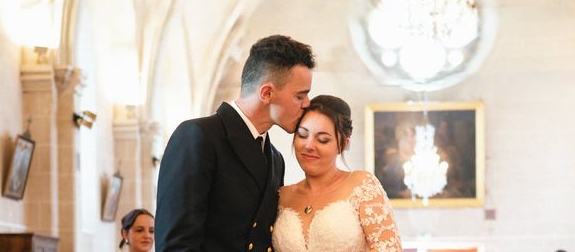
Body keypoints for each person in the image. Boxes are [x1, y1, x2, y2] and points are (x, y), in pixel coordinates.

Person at [155, 35, 315, 252]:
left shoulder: (276, 159)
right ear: (267, 93)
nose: (307, 104)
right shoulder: (198, 136)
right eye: (299, 96)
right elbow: (176, 245)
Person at [272, 95, 402, 251]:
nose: (309, 145)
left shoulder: (361, 185)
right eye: (303, 135)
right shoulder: (282, 195)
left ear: (343, 144)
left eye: (322, 140)